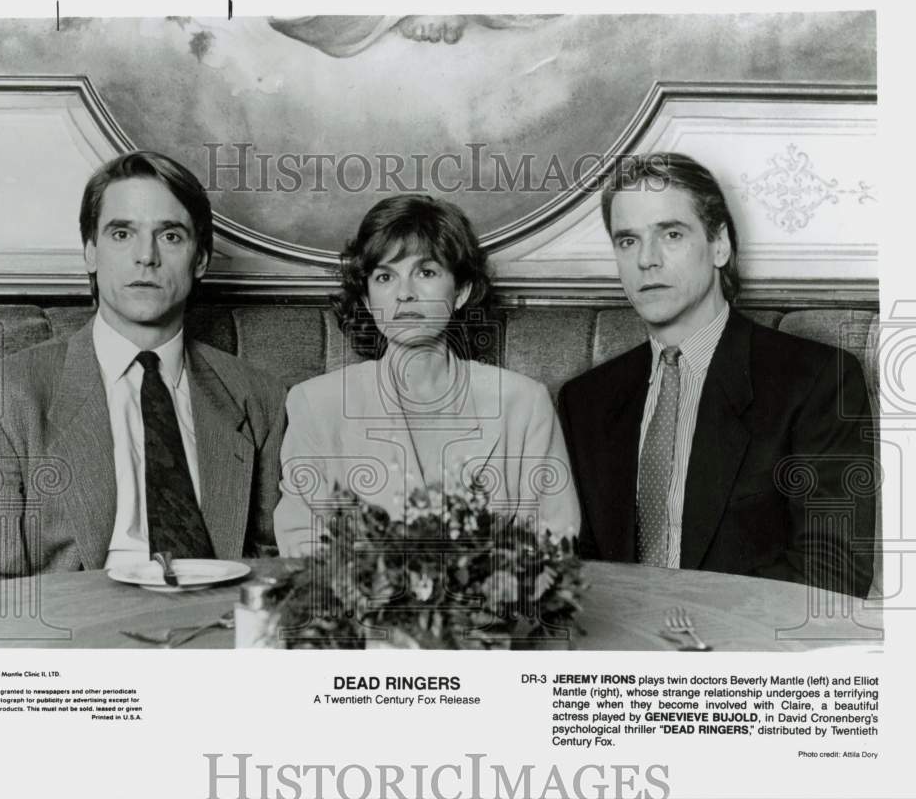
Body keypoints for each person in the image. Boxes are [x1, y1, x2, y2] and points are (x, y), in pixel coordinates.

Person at [0, 151, 286, 586]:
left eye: (171, 236)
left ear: (200, 259)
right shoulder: (5, 396)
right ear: (90, 252)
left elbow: (280, 567)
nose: (146, 256)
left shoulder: (258, 397)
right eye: (122, 233)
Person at [558, 153, 876, 597]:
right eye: (627, 241)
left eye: (671, 234)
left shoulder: (818, 380)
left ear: (720, 244)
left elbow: (834, 570)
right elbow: (573, 564)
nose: (646, 260)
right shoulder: (585, 400)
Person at [274, 194, 580, 556]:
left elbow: (553, 547)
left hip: (494, 611)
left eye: (426, 272)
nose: (405, 293)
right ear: (369, 300)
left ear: (462, 290)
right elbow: (302, 545)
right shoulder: (315, 404)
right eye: (385, 276)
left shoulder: (525, 403)